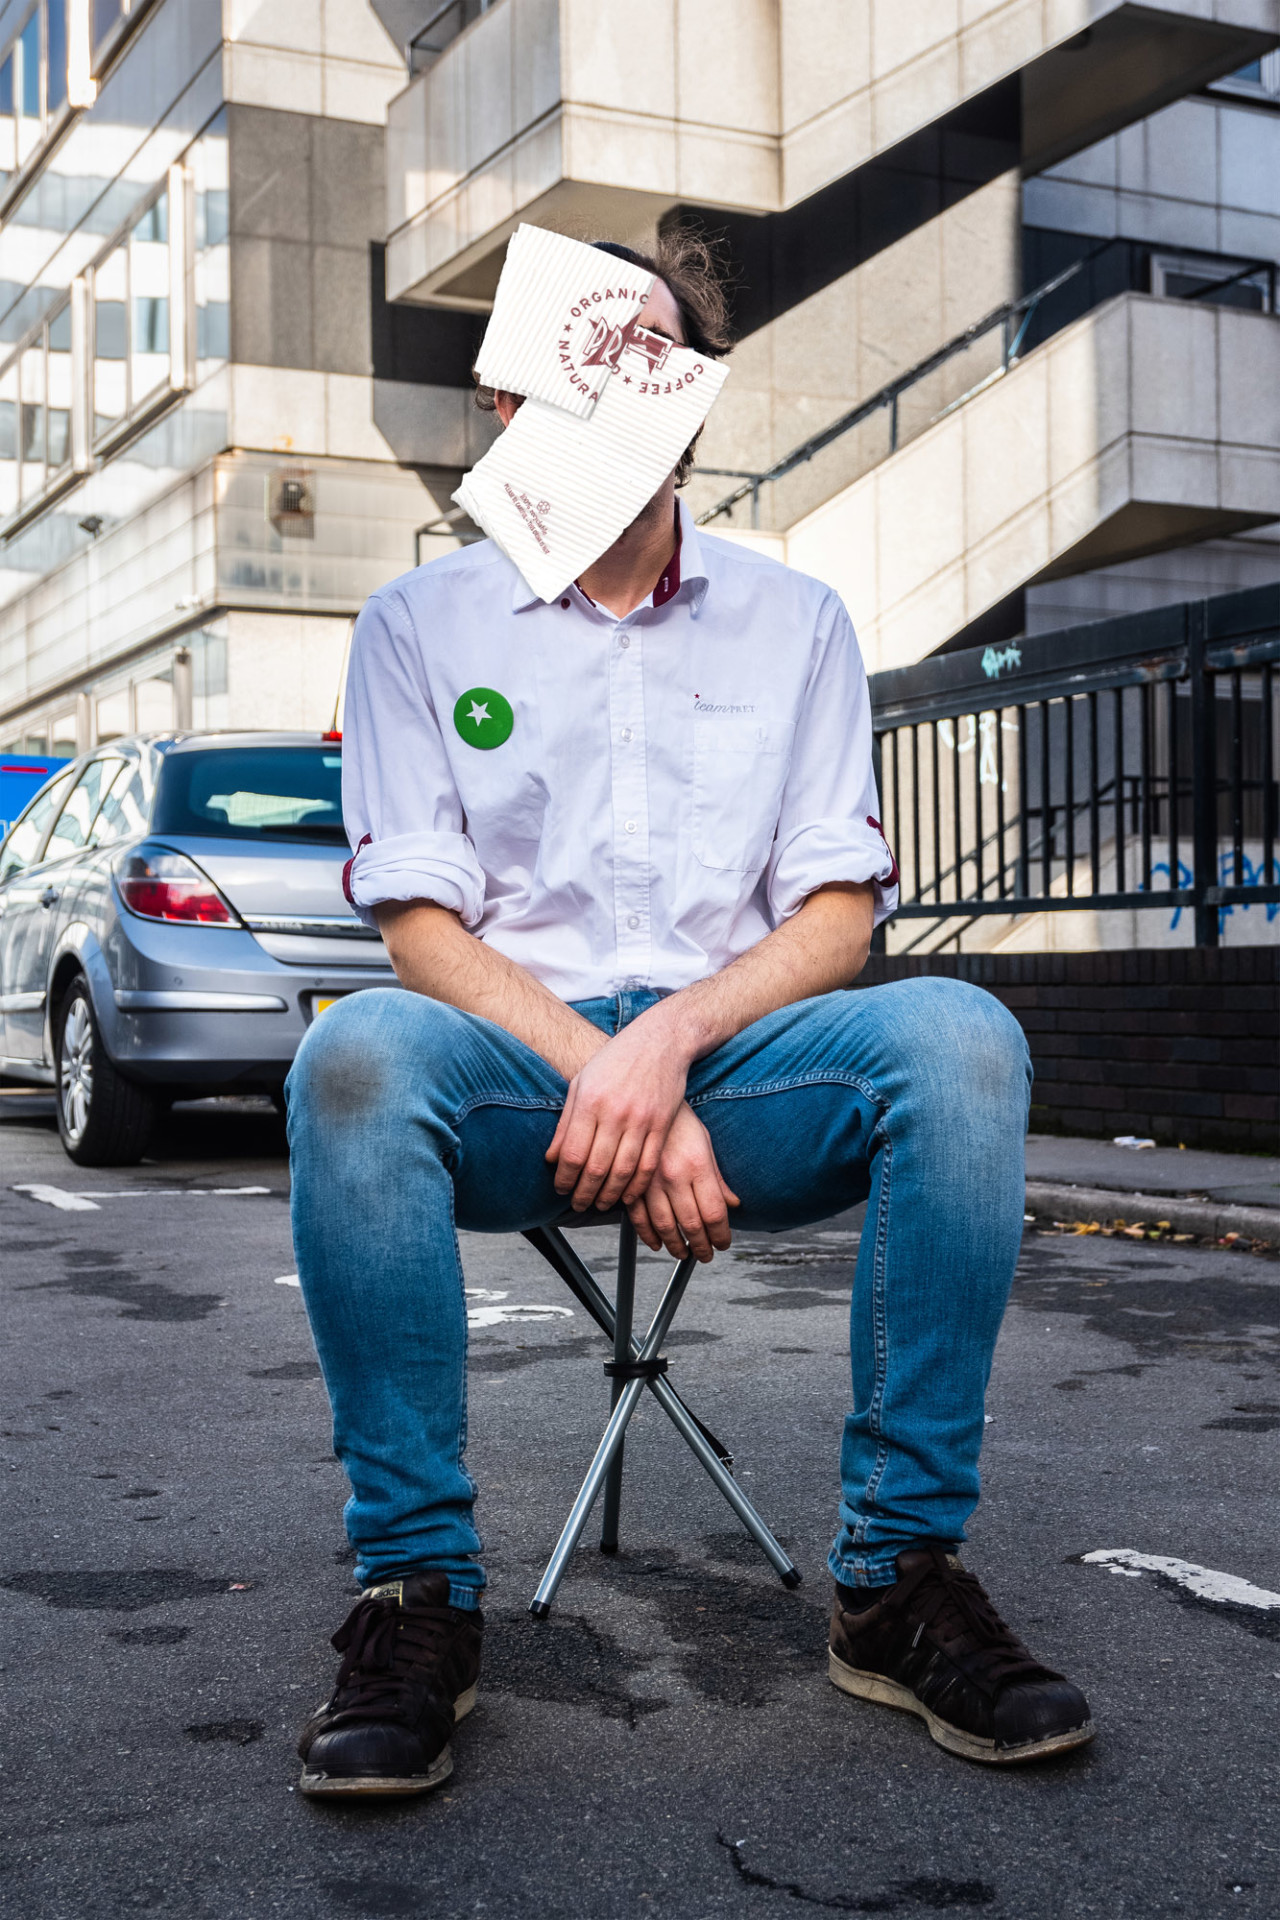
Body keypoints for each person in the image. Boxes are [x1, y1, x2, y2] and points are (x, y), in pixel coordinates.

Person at [286, 230, 1093, 1798]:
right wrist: (606, 1071)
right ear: (510, 402)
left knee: (961, 1040)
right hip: (519, 1077)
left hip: (736, 1072)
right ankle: (415, 1591)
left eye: (642, 360)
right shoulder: (417, 625)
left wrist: (662, 1054)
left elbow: (839, 916)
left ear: (689, 396)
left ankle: (897, 1582)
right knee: (355, 1058)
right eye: (570, 368)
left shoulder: (796, 621)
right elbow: (420, 928)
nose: (609, 394)